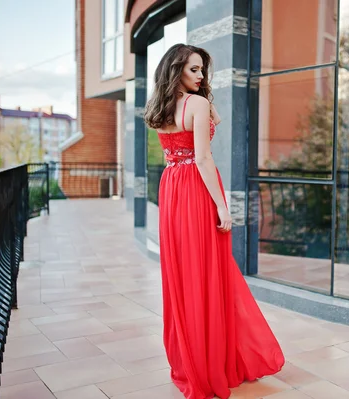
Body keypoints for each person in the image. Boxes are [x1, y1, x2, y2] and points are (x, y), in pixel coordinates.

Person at [143, 44, 285, 399]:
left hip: (172, 189)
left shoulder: (161, 108)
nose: (201, 76)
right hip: (196, 189)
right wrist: (222, 207)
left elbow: (212, 123)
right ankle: (211, 362)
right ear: (177, 70)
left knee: (185, 275)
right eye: (194, 70)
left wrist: (202, 93)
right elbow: (204, 160)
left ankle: (193, 358)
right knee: (207, 273)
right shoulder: (197, 104)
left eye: (202, 70)